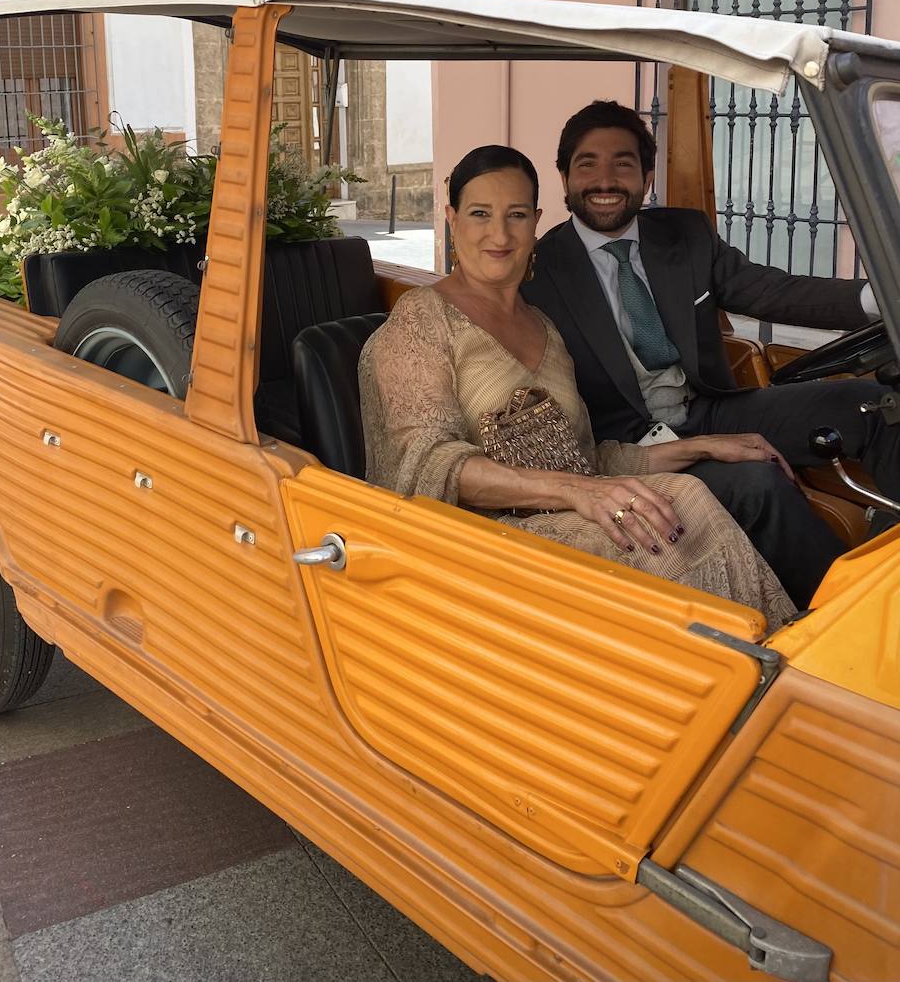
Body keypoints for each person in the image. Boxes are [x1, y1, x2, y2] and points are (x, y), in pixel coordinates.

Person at [359, 144, 795, 629]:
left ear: (536, 222)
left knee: (687, 492)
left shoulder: (545, 327)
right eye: (480, 213)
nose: (499, 234)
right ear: (452, 219)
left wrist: (703, 446)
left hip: (563, 514)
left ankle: (759, 662)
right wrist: (576, 492)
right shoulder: (421, 319)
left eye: (517, 214)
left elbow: (588, 460)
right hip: (478, 543)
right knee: (664, 521)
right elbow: (425, 464)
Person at [525, 98, 900, 609]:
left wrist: (880, 298)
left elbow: (772, 291)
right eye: (587, 163)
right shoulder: (539, 270)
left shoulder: (685, 234)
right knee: (756, 481)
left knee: (877, 406)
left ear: (647, 174)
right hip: (628, 443)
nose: (605, 179)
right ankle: (846, 615)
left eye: (624, 163)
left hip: (710, 408)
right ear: (564, 178)